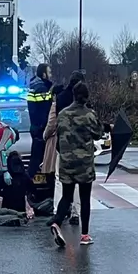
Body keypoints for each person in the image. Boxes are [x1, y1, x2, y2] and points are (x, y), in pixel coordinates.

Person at [49, 82, 111, 247]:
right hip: (84, 163)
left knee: (67, 196)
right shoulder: (89, 115)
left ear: (73, 95)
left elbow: (58, 134)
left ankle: (56, 222)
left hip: (66, 161)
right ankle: (84, 235)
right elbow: (98, 134)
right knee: (84, 198)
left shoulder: (62, 114)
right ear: (86, 96)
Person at [52, 71, 87, 224]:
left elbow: (55, 123)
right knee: (80, 182)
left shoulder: (60, 99)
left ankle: (57, 211)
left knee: (60, 180)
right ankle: (76, 213)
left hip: (63, 147)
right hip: (80, 148)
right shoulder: (84, 105)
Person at [26, 63, 54, 178]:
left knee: (36, 159)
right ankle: (28, 185)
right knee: (38, 160)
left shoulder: (34, 86)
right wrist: (45, 128)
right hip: (40, 129)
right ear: (44, 74)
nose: (50, 75)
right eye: (49, 72)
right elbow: (45, 109)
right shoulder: (41, 88)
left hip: (35, 127)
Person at [0, 150, 35, 219]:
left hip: (7, 210)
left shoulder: (4, 177)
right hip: (21, 209)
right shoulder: (25, 176)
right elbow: (33, 191)